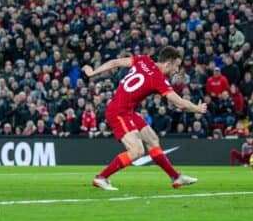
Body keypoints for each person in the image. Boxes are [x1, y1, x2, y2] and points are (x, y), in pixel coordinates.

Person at [82, 46, 207, 190]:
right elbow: (179, 102)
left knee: (152, 139)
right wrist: (197, 108)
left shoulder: (143, 60)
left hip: (127, 110)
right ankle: (102, 177)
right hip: (118, 112)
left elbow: (115, 62)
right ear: (168, 63)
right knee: (137, 151)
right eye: (176, 66)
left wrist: (93, 73)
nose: (176, 70)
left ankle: (175, 177)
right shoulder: (158, 80)